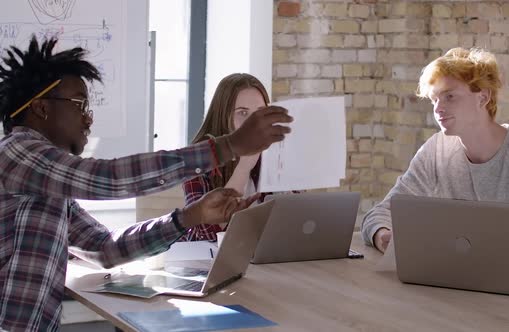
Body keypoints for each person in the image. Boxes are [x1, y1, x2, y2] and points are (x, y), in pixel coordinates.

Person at [0, 36, 292, 331]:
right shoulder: (16, 151)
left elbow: (104, 248)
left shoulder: (48, 185)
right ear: (41, 108)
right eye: (80, 104)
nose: (88, 119)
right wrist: (227, 146)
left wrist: (191, 216)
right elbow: (107, 179)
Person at [362, 47, 509, 268]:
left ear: (483, 97)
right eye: (434, 99)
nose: (438, 108)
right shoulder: (436, 150)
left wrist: (479, 253)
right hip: (454, 283)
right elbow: (380, 213)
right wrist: (382, 235)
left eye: (449, 96)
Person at [181, 73, 272, 241]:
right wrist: (244, 166)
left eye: (260, 113)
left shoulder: (271, 150)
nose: (254, 123)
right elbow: (207, 233)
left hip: (259, 254)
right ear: (224, 116)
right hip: (203, 257)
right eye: (243, 113)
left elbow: (290, 220)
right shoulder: (198, 157)